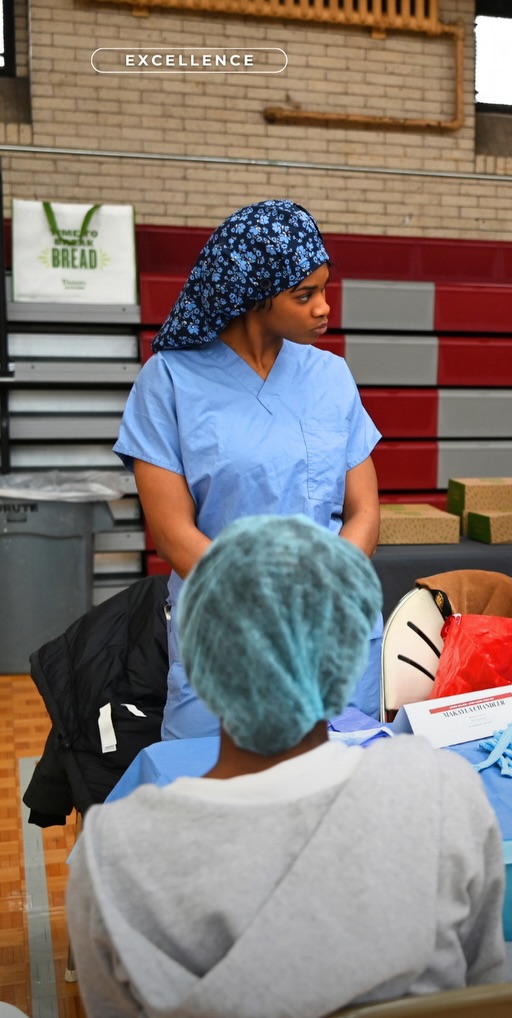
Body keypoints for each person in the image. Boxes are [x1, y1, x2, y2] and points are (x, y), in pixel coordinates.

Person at [65, 515, 512, 1017]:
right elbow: (479, 981)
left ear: (198, 666)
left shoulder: (112, 855)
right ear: (347, 662)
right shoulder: (441, 789)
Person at [113, 199, 384, 736]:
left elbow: (364, 512)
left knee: (337, 777)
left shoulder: (331, 376)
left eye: (325, 289)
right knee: (212, 781)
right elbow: (172, 533)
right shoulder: (168, 381)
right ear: (251, 296)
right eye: (304, 295)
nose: (324, 308)